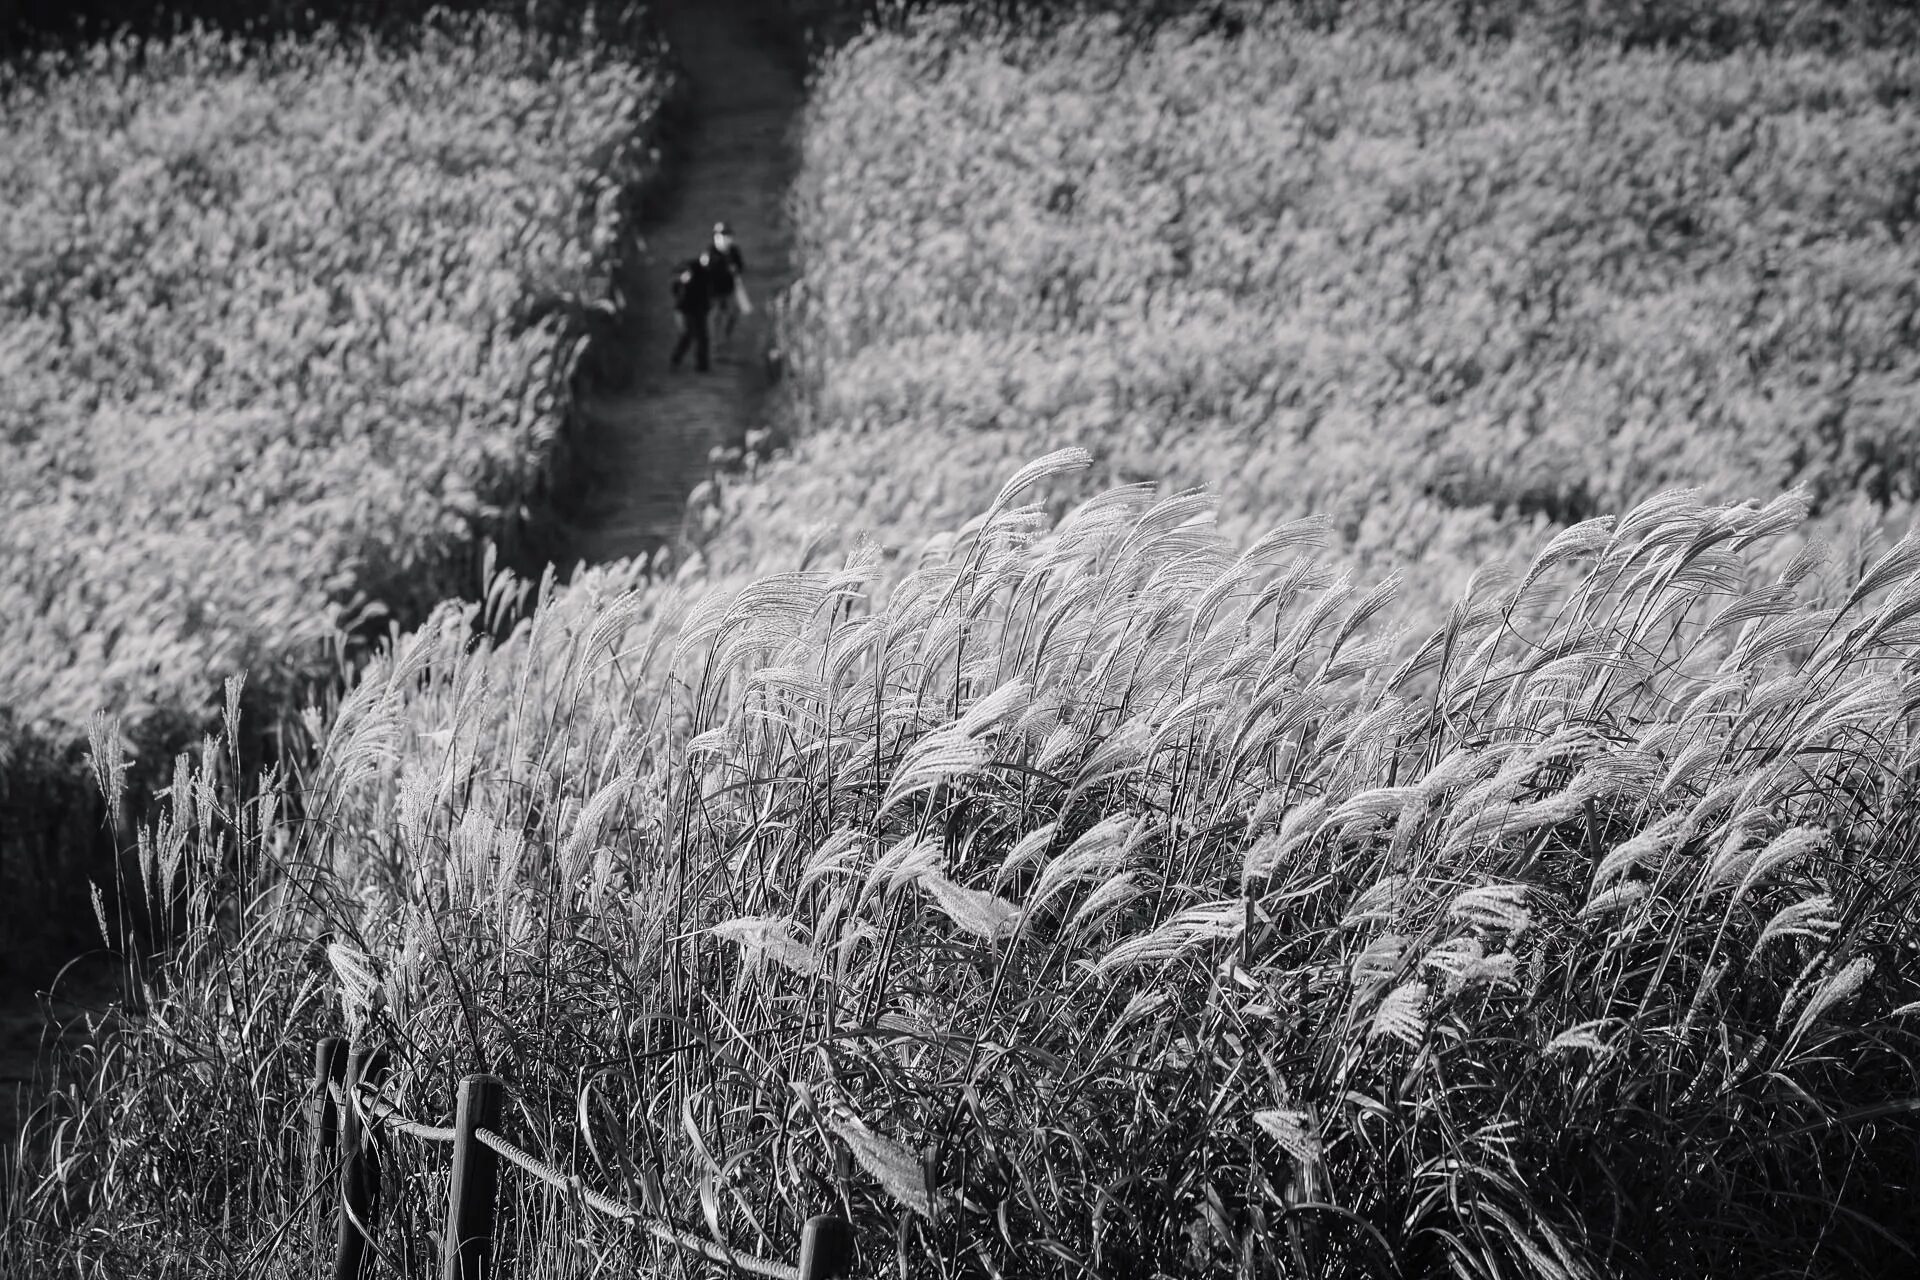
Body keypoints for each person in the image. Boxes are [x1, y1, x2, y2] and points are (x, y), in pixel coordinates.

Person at [669, 249, 717, 372]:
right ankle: (679, 360)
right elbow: (676, 285)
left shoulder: (709, 271)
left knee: (699, 336)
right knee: (691, 335)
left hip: (699, 309)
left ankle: (701, 365)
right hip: (688, 308)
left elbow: (710, 291)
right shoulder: (691, 267)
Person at [706, 221, 750, 340]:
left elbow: (741, 266)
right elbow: (709, 273)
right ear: (715, 238)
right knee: (716, 316)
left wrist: (736, 269)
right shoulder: (710, 253)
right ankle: (715, 342)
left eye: (728, 237)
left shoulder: (734, 251)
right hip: (714, 292)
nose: (725, 240)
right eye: (722, 237)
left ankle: (726, 337)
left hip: (729, 289)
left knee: (733, 313)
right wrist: (725, 270)